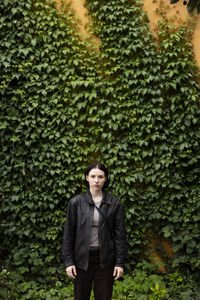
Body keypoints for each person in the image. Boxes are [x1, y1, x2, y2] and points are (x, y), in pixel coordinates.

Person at [62, 162, 127, 300]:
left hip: (105, 260)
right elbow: (69, 234)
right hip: (81, 261)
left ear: (105, 179)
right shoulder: (76, 202)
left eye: (100, 177)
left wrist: (119, 263)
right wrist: (69, 262)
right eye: (93, 176)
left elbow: (119, 236)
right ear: (87, 178)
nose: (96, 180)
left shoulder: (114, 203)